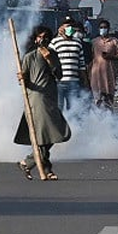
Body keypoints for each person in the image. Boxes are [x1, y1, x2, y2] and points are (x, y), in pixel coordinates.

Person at [15, 29, 70, 181]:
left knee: (54, 133)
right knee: (46, 134)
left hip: (51, 97)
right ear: (35, 39)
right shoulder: (29, 57)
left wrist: (50, 61)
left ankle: (28, 162)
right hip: (37, 99)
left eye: (46, 37)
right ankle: (46, 168)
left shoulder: (52, 53)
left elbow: (59, 75)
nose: (43, 40)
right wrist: (21, 77)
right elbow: (24, 80)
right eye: (40, 37)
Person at [48, 17, 88, 112]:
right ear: (61, 28)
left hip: (74, 82)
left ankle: (72, 126)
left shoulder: (77, 42)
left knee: (73, 109)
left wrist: (85, 80)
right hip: (59, 81)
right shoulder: (55, 42)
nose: (69, 28)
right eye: (67, 26)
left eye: (71, 26)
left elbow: (81, 64)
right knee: (59, 108)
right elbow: (48, 59)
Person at [89, 19, 118, 110]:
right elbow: (91, 57)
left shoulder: (114, 41)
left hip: (109, 72)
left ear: (108, 29)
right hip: (96, 72)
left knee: (109, 95)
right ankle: (97, 117)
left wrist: (110, 56)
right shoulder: (94, 42)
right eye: (101, 27)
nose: (103, 29)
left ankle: (110, 116)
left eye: (105, 27)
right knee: (97, 96)